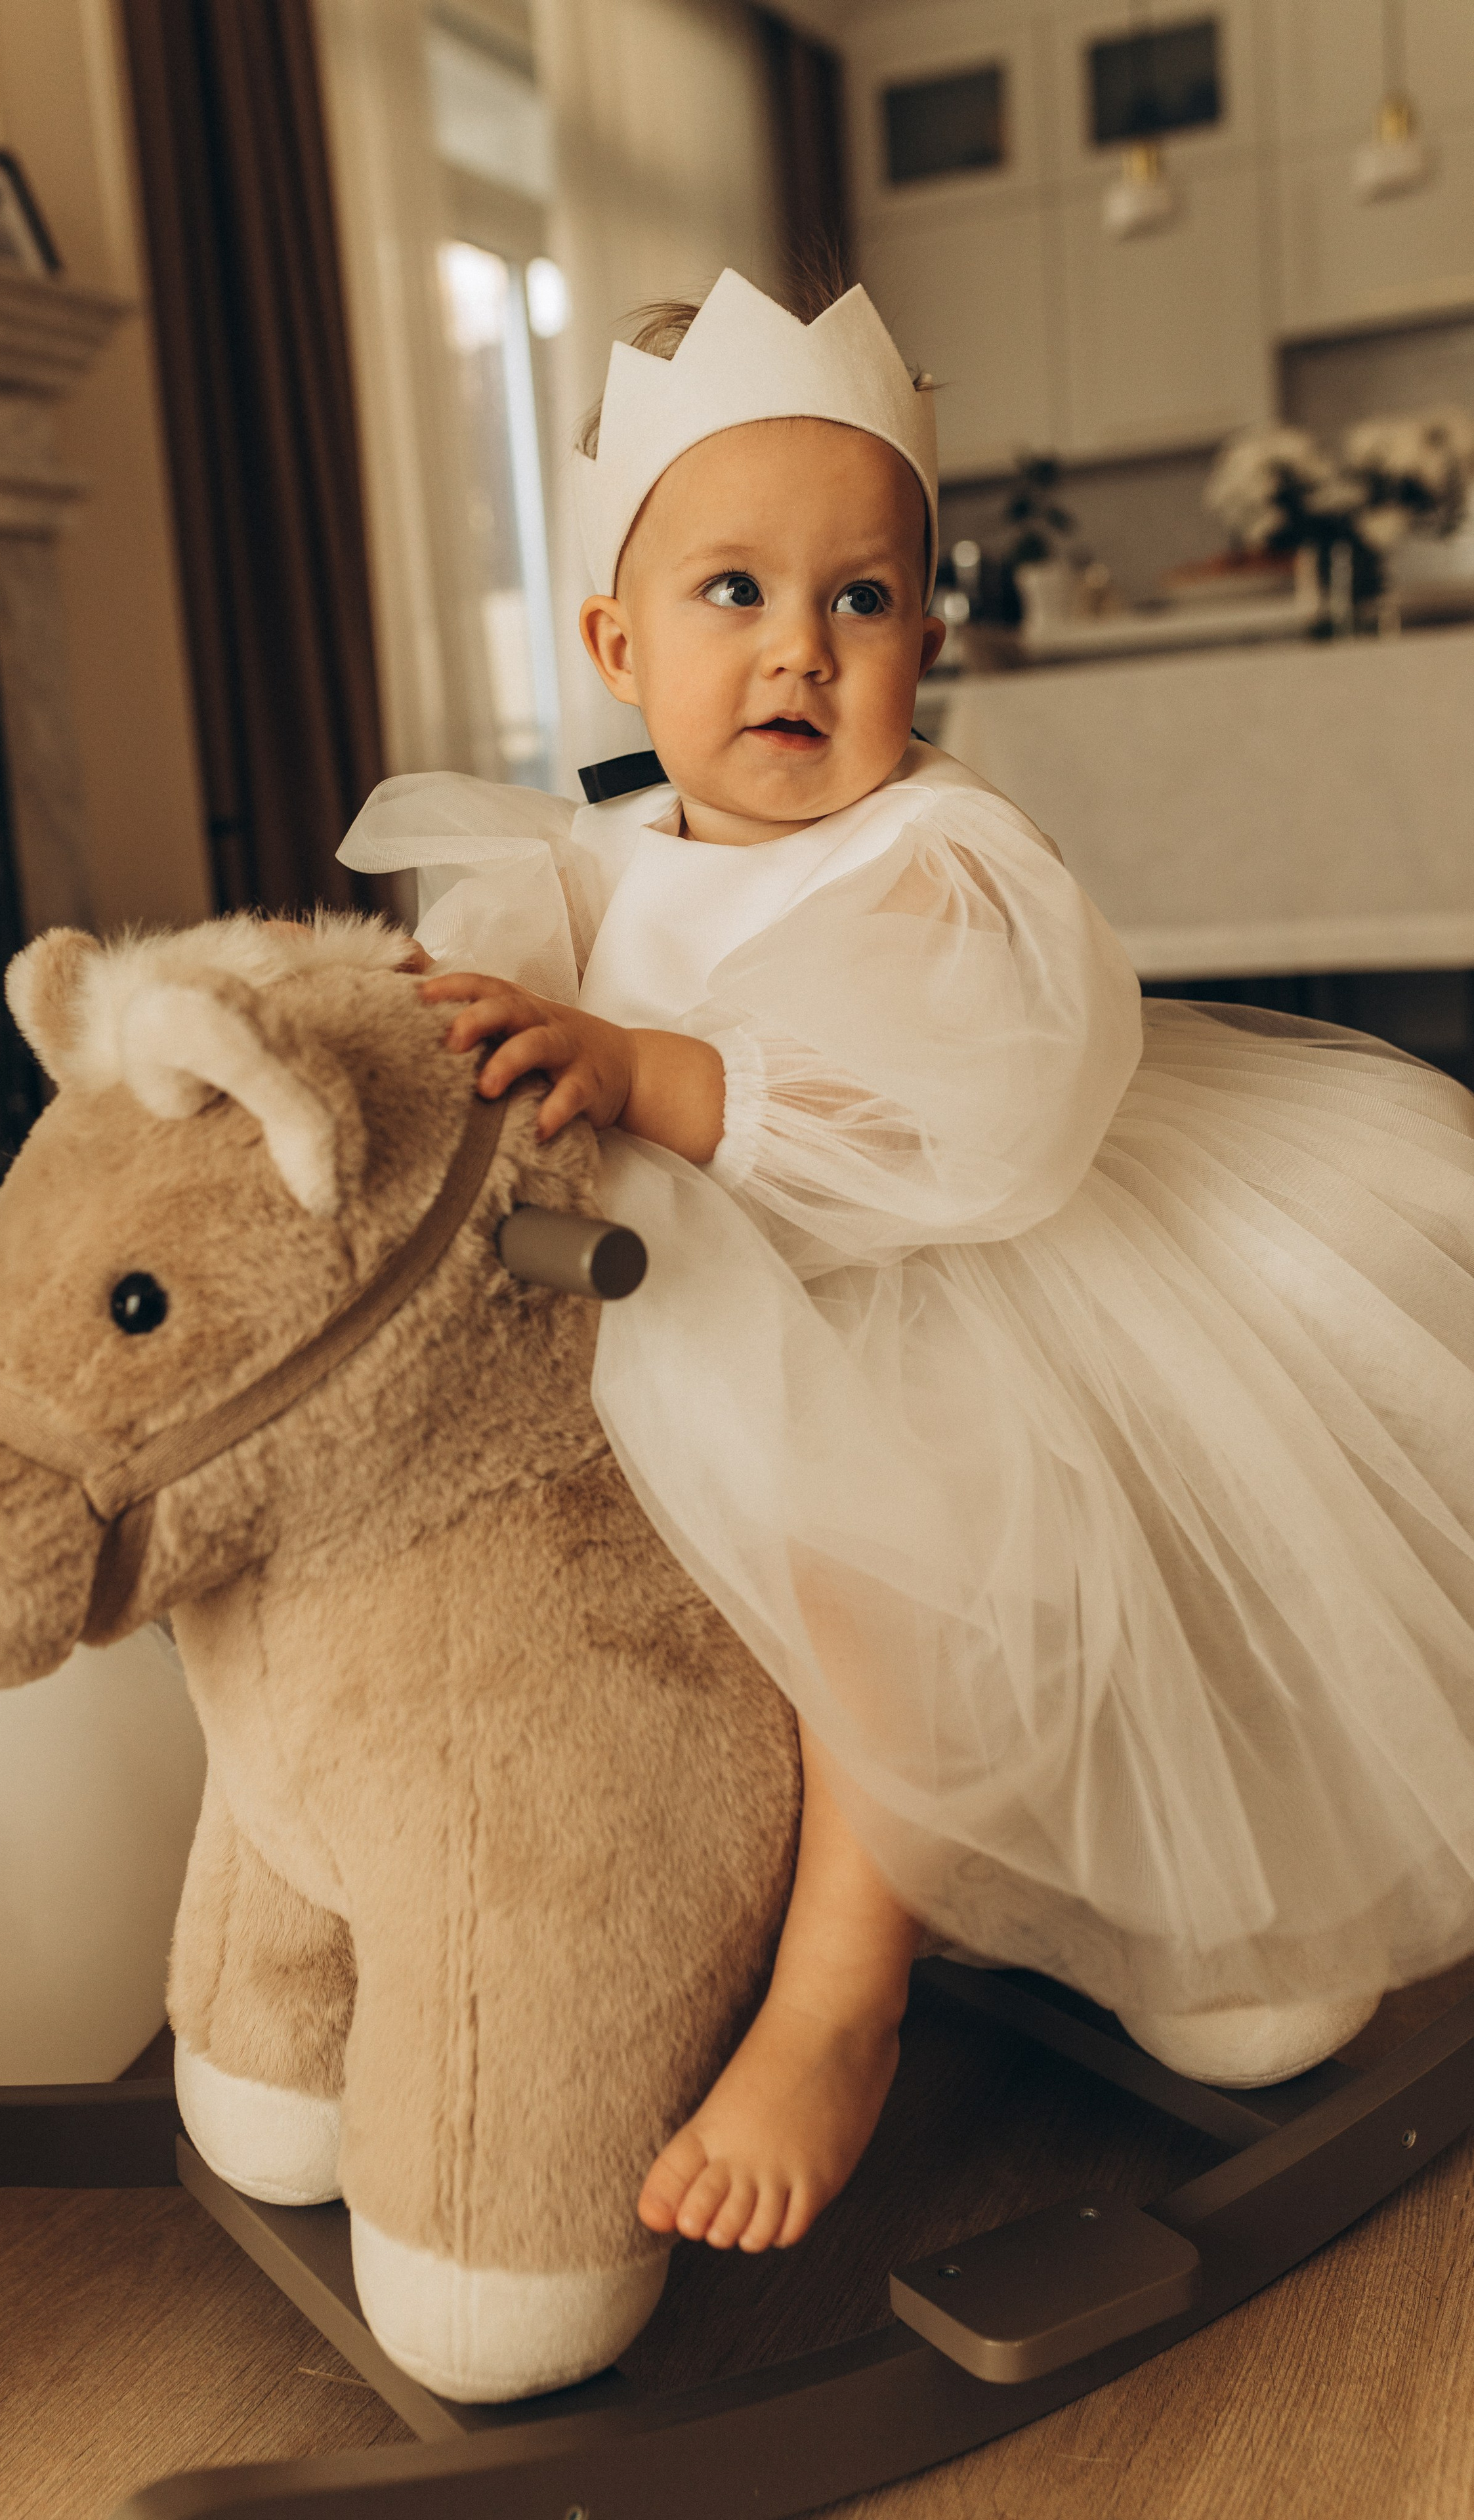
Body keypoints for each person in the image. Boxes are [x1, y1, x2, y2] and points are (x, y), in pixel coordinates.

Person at [341, 269, 1474, 2264]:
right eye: (734, 597)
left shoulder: (941, 852)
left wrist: (652, 1071)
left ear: (927, 636)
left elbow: (985, 1109)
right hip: (666, 1296)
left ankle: (838, 2001)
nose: (801, 650)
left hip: (949, 1285)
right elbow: (480, 1027)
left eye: (861, 600)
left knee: (879, 1553)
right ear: (613, 642)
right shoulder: (577, 860)